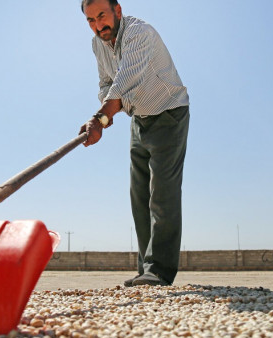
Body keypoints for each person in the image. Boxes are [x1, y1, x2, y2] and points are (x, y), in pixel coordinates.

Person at [79, 0, 190, 286]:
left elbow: (126, 80)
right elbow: (106, 83)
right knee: (138, 194)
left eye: (101, 16)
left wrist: (101, 117)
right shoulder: (98, 44)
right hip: (139, 119)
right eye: (90, 20)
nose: (98, 25)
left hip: (168, 113)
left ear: (117, 11)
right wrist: (106, 109)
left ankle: (160, 271)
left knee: (162, 194)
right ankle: (146, 269)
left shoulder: (139, 33)